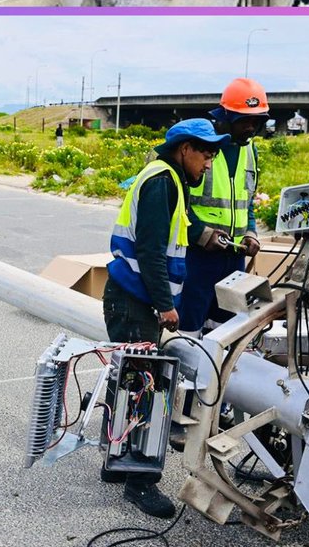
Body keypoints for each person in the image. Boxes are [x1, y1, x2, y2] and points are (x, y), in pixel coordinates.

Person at [105, 117, 229, 518]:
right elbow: (152, 251)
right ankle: (140, 483)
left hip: (131, 297)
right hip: (136, 298)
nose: (209, 163)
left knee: (127, 382)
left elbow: (180, 229)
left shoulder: (169, 181)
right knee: (147, 386)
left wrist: (209, 237)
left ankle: (116, 460)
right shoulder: (162, 181)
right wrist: (165, 305)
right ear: (184, 150)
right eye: (206, 153)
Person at [177, 78, 268, 333]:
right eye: (244, 120)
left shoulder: (250, 151)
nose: (250, 127)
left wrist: (251, 233)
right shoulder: (199, 146)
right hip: (197, 257)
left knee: (223, 332)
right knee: (189, 329)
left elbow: (246, 201)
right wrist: (201, 234)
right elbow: (177, 202)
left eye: (256, 121)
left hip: (234, 259)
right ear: (225, 116)